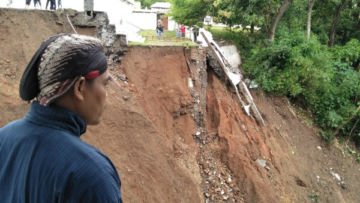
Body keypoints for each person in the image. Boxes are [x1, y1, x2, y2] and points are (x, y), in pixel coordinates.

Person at [0, 34, 122, 203]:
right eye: (105, 84)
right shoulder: (91, 174)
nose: (106, 96)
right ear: (79, 87)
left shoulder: (4, 138)